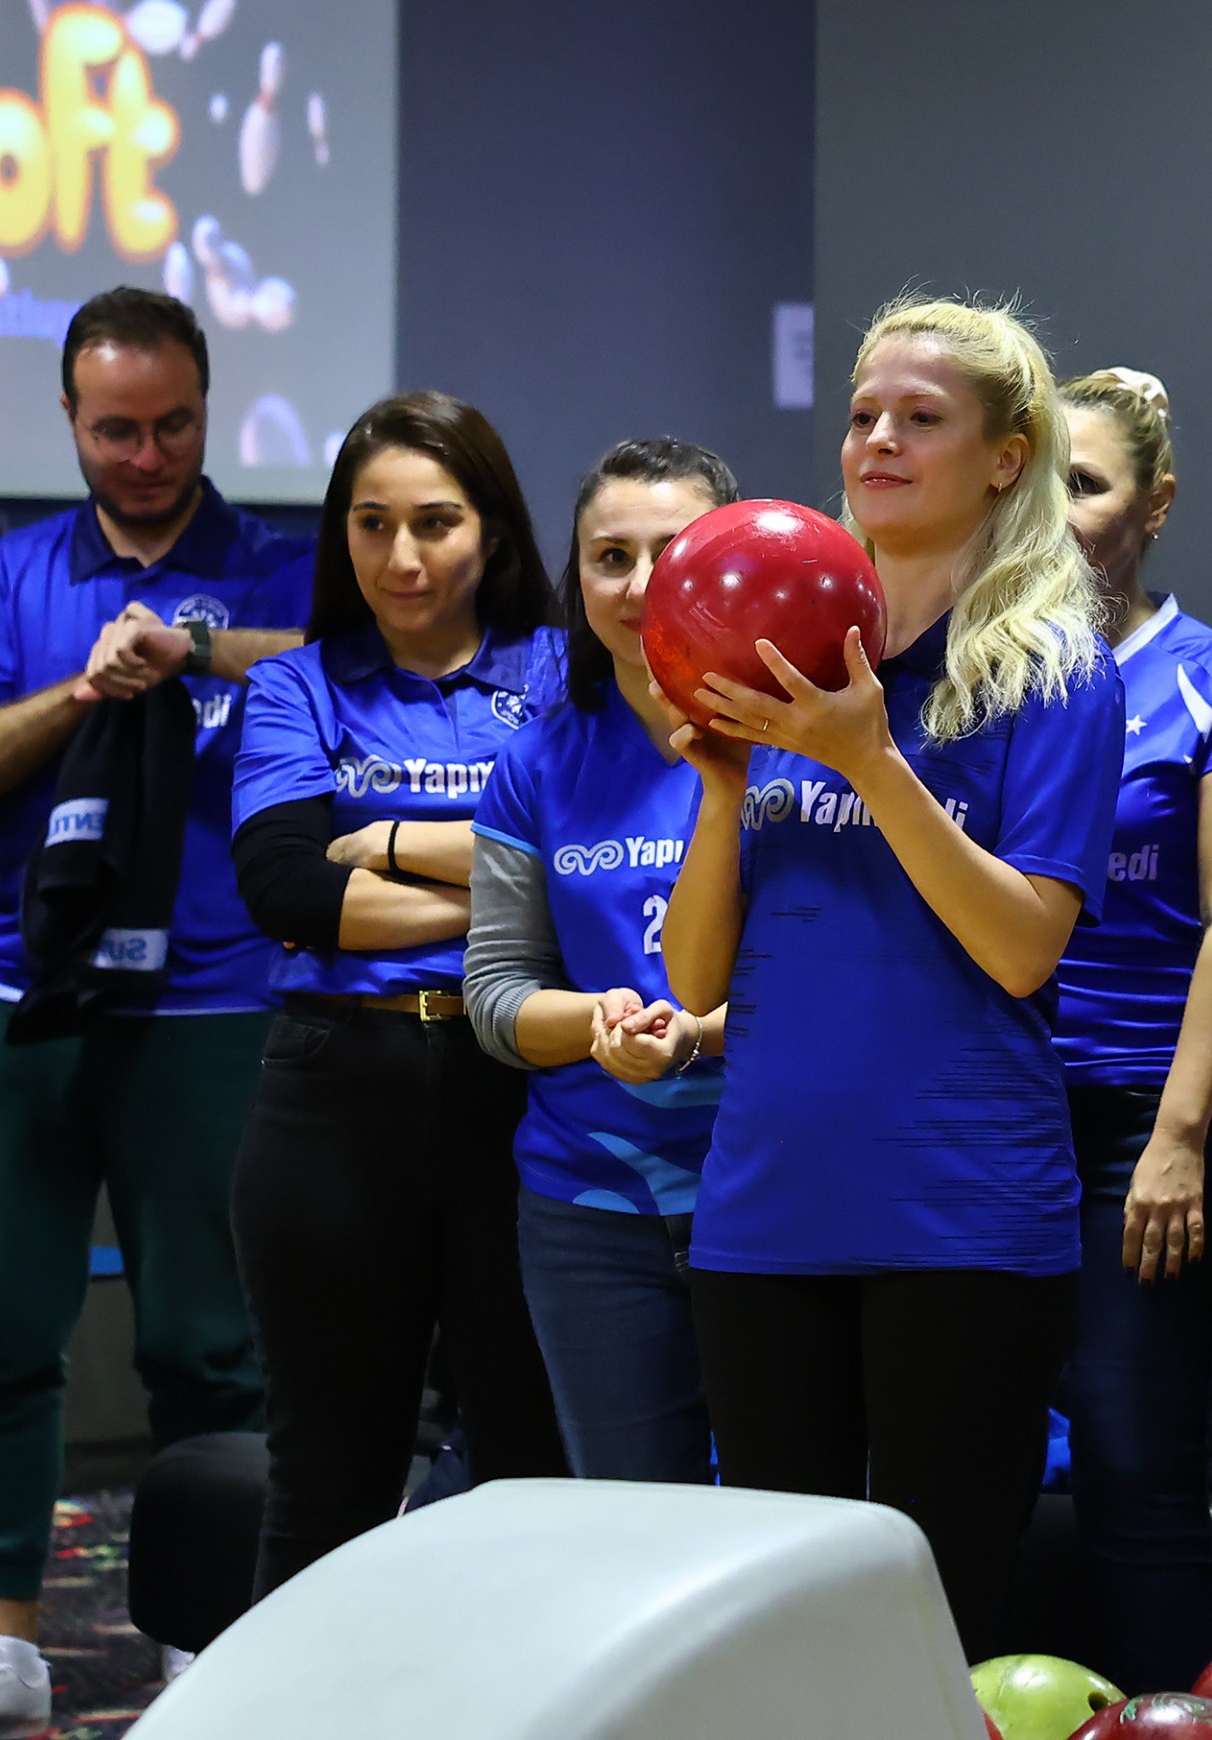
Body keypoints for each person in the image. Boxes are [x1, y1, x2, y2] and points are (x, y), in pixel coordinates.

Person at [658, 297, 1125, 1661]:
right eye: (864, 413)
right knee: (782, 1634)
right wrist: (724, 789)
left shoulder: (1056, 670)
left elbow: (1024, 948)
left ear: (1005, 457)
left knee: (935, 1628)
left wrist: (868, 759)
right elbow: (695, 976)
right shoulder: (779, 651)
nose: (878, 440)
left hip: (961, 1217)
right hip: (765, 1211)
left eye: (922, 418)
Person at [0, 288, 311, 1740]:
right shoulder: (14, 573)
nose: (147, 454)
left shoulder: (280, 569)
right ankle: (4, 1643)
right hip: (27, 991)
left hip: (214, 998)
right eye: (116, 428)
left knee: (211, 1347)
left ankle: (207, 1643)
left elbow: (354, 678)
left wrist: (198, 652)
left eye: (174, 424)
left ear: (209, 408)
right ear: (68, 416)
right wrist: (84, 687)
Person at [228, 390, 566, 1596]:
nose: (402, 557)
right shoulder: (296, 685)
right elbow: (286, 889)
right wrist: (522, 887)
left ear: (494, 530)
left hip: (522, 1086)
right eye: (372, 524)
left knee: (533, 1469)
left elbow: (600, 855)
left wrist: (378, 843)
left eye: (435, 522)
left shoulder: (564, 675)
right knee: (327, 1476)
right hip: (335, 1090)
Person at [466, 437, 738, 1483]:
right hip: (589, 1212)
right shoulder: (535, 762)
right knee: (634, 1528)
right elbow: (496, 995)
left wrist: (698, 1036)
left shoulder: (807, 743)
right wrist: (598, 1024)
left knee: (787, 1525)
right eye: (610, 557)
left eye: (675, 551)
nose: (641, 584)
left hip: (771, 1192)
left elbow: (840, 987)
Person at [1050, 367, 1212, 1690]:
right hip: (990, 1111)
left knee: (1136, 1470)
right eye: (1038, 483)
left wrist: (1181, 1138)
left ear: (1157, 503)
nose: (1058, 512)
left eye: (1087, 484)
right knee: (957, 1468)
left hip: (1145, 1113)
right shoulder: (982, 668)